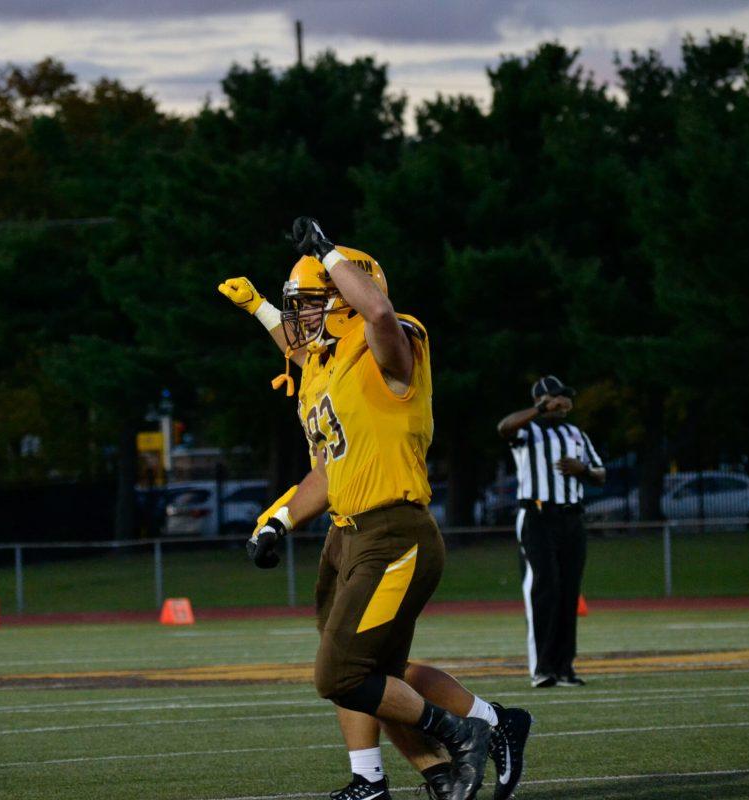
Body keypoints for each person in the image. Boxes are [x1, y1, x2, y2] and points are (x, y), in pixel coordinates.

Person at [218, 220, 530, 800]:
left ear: (344, 295)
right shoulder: (328, 368)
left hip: (393, 531)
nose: (300, 318)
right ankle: (408, 776)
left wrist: (327, 250)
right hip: (347, 535)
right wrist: (278, 519)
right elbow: (326, 471)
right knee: (374, 679)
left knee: (343, 673)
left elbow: (380, 317)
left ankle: (473, 730)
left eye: (311, 304)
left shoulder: (391, 344)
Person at [497, 375, 605, 688]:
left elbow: (600, 473)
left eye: (567, 397)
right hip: (537, 516)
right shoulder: (526, 429)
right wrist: (539, 410)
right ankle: (542, 668)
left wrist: (582, 470)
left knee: (569, 592)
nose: (566, 403)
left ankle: (564, 667)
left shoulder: (575, 433)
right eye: (559, 397)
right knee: (544, 589)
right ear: (543, 400)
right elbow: (504, 428)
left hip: (571, 518)